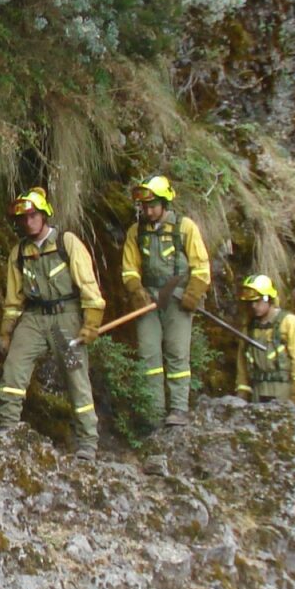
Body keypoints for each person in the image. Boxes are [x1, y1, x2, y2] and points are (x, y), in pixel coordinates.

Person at [0, 186, 102, 458]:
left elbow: (88, 285)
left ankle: (88, 442)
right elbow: (13, 299)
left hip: (63, 319)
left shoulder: (67, 243)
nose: (28, 222)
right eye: (23, 218)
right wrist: (7, 332)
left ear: (44, 216)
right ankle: (8, 428)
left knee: (75, 375)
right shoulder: (18, 253)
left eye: (33, 216)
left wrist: (91, 321)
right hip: (33, 318)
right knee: (14, 368)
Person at [118, 173, 210, 427]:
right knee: (148, 355)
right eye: (144, 206)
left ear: (164, 202)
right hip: (147, 302)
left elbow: (201, 267)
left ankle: (179, 409)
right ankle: (154, 412)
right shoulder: (136, 233)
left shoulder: (184, 228)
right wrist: (137, 291)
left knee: (177, 353)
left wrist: (192, 294)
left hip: (178, 301)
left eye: (152, 206)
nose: (147, 211)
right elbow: (129, 268)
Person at [232, 274, 295, 404]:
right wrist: (242, 394)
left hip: (284, 394)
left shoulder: (288, 323)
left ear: (268, 298)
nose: (253, 306)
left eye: (257, 301)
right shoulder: (249, 329)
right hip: (257, 395)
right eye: (250, 302)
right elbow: (242, 366)